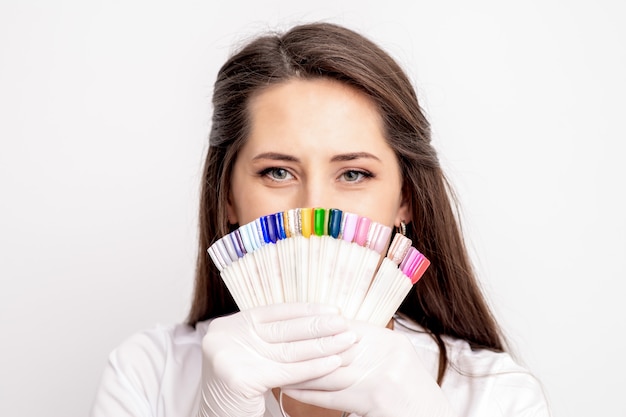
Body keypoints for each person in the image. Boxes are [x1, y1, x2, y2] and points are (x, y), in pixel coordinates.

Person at [90, 22, 550, 417]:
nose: (314, 212)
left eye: (353, 173)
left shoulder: (497, 394)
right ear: (227, 198)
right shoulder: (148, 373)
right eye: (277, 172)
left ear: (405, 200)